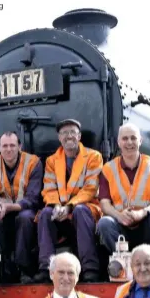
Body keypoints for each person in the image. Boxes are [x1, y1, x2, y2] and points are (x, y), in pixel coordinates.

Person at [98, 123, 150, 276]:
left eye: (133, 138)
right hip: (121, 228)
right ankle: (126, 266)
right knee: (104, 223)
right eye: (125, 139)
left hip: (147, 225)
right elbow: (104, 203)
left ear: (141, 141)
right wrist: (119, 216)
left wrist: (143, 212)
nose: (129, 142)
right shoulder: (108, 169)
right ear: (119, 142)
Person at [34, 119, 103, 283]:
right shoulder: (52, 161)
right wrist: (57, 206)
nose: (68, 136)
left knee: (80, 211)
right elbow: (49, 189)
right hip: (61, 211)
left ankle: (90, 269)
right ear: (59, 138)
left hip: (86, 210)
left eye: (72, 132)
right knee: (45, 214)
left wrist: (70, 207)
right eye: (64, 133)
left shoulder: (94, 157)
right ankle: (45, 267)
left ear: (79, 136)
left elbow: (90, 188)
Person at [0, 132, 43, 282]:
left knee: (25, 218)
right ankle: (0, 267)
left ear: (19, 147)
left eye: (12, 145)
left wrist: (9, 207)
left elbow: (33, 199)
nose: (9, 149)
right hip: (2, 212)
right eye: (5, 146)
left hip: (24, 210)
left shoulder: (34, 163)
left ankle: (23, 269)